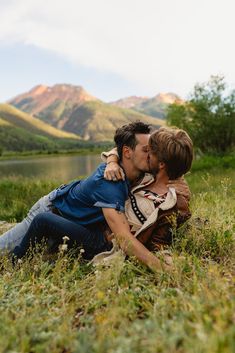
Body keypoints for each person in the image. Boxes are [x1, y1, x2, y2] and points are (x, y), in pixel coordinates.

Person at [11, 125, 193, 269]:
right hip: (57, 206)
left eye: (150, 152)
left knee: (43, 222)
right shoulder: (138, 174)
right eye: (146, 150)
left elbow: (145, 238)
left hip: (97, 237)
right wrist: (112, 160)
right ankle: (30, 255)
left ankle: (13, 263)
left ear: (161, 163)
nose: (147, 155)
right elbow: (121, 149)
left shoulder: (167, 191)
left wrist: (162, 267)